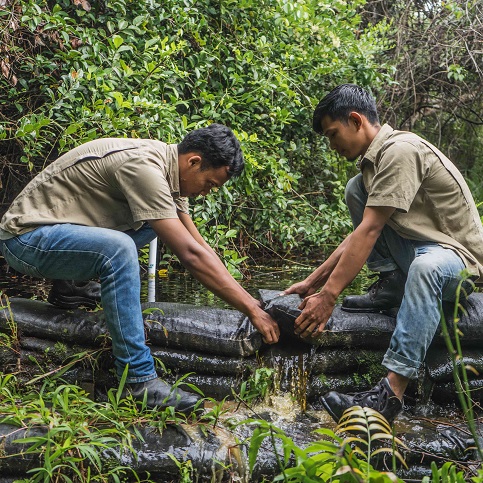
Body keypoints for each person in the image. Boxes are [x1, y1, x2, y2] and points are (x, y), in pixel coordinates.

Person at [0, 123, 280, 414]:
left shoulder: (171, 178)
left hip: (58, 237)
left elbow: (199, 246)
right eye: (210, 184)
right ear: (193, 161)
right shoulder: (145, 168)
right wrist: (251, 310)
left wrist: (252, 302)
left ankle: (70, 287)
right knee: (118, 248)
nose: (207, 192)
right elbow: (191, 256)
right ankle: (138, 379)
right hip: (25, 240)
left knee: (156, 223)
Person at [285, 84, 483, 424]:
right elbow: (361, 231)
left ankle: (390, 394)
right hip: (421, 251)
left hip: (457, 262)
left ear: (356, 120)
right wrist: (311, 282)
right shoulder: (373, 167)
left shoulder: (400, 151)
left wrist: (329, 297)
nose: (332, 146)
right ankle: (392, 281)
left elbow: (370, 230)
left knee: (426, 267)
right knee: (355, 190)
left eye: (333, 134)